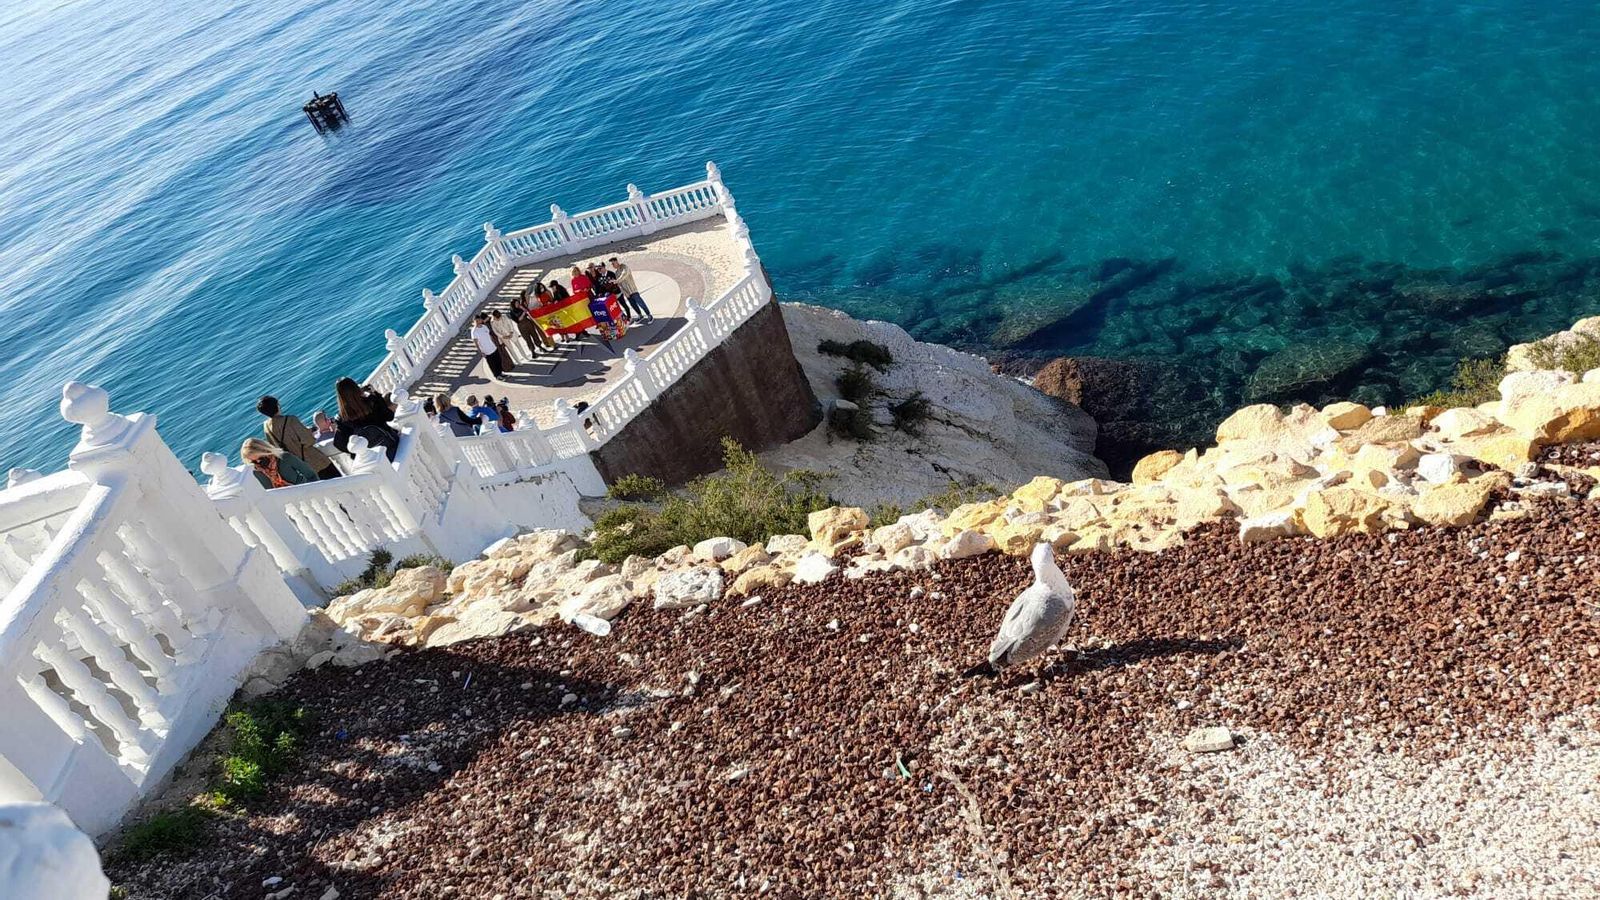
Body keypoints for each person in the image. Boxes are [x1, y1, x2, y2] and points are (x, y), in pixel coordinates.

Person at [257, 395, 340, 480]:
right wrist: (308, 431)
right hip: (314, 461)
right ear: (277, 406)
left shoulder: (266, 426)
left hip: (298, 466)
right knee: (337, 480)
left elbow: (275, 447)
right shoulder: (290, 420)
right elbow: (309, 440)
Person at [332, 377, 400, 460]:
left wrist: (357, 451)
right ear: (356, 388)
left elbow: (338, 444)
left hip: (372, 457)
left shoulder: (341, 419)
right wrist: (376, 394)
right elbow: (389, 417)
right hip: (390, 444)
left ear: (340, 397)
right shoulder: (371, 401)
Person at [241, 437, 318, 489]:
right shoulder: (257, 472)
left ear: (265, 450)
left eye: (260, 458)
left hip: (306, 492)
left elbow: (311, 475)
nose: (258, 462)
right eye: (254, 461)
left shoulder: (285, 457)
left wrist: (316, 490)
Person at [609, 256, 653, 322]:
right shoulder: (616, 273)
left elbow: (624, 275)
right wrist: (625, 293)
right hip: (627, 293)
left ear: (616, 262)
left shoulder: (624, 267)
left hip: (633, 290)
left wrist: (616, 280)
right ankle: (640, 315)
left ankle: (649, 315)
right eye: (612, 264)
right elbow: (620, 285)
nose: (612, 265)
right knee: (633, 305)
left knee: (640, 303)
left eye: (613, 263)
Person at [471, 313, 504, 378]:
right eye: (476, 321)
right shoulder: (474, 331)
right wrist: (481, 352)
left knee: (498, 360)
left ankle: (500, 373)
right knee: (492, 364)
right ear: (474, 322)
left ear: (481, 320)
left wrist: (494, 344)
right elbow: (476, 343)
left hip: (493, 347)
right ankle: (497, 375)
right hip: (486, 351)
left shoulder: (484, 327)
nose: (477, 322)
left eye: (478, 320)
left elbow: (489, 336)